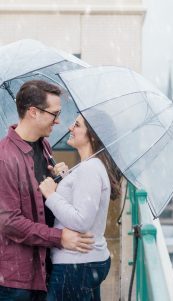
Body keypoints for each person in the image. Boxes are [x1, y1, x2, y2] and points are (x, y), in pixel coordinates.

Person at [0, 80, 94, 301]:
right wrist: (60, 237)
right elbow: (10, 223)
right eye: (55, 113)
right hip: (17, 279)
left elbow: (38, 198)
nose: (59, 120)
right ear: (33, 112)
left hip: (43, 267)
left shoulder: (43, 146)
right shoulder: (3, 160)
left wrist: (57, 180)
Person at [39, 114, 122, 301]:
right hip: (85, 263)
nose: (70, 128)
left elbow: (81, 220)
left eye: (76, 125)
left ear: (92, 135)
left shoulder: (89, 169)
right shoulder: (90, 166)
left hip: (75, 265)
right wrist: (67, 177)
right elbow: (81, 201)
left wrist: (51, 194)